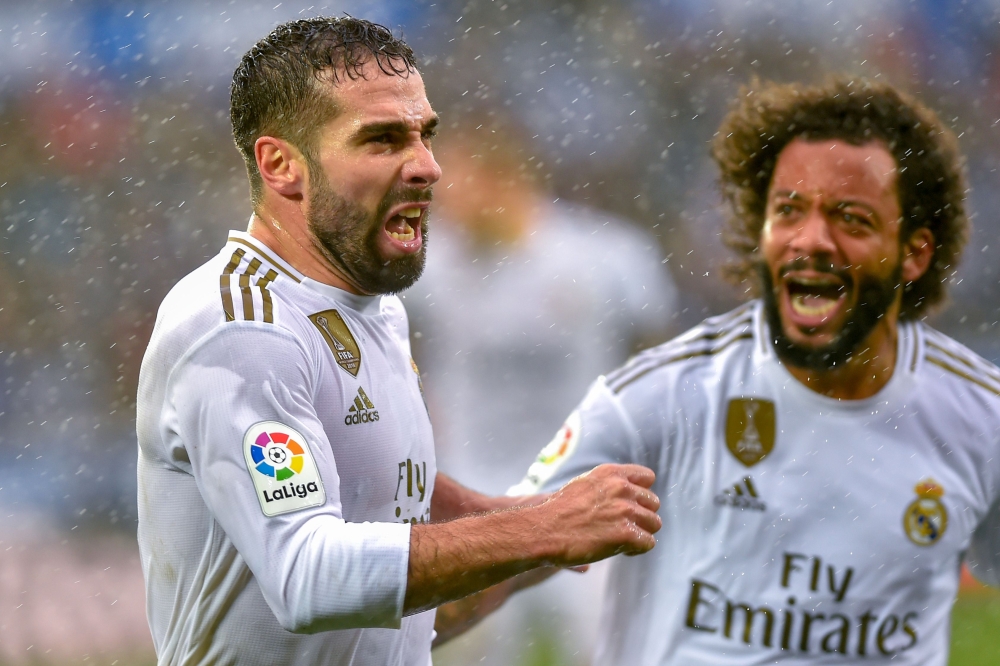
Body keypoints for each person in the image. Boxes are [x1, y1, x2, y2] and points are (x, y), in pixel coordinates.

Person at [135, 17, 662, 666]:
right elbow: (309, 578)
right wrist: (536, 529)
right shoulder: (241, 324)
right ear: (281, 165)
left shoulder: (376, 306)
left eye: (424, 135)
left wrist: (514, 531)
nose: (428, 168)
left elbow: (388, 621)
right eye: (383, 140)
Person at [510, 77, 1000, 664]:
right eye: (788, 210)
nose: (810, 240)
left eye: (851, 218)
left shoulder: (983, 419)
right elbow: (497, 560)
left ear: (914, 253)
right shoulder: (660, 396)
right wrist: (417, 555)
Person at [404, 116, 677, 663]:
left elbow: (657, 356)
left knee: (606, 648)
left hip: (582, 484)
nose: (441, 204)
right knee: (466, 653)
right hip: (474, 494)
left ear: (503, 178)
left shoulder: (605, 258)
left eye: (455, 187)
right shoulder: (428, 266)